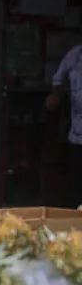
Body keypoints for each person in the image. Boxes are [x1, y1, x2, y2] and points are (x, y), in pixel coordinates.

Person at [46, 43, 82, 206]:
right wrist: (55, 96)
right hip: (78, 134)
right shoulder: (74, 55)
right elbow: (58, 81)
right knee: (77, 185)